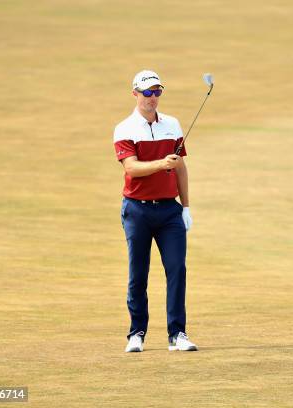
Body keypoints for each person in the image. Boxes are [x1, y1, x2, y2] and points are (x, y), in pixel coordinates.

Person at [113, 70, 198, 352]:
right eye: (148, 92)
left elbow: (181, 169)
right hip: (137, 210)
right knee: (138, 273)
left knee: (177, 270)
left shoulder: (172, 125)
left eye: (157, 92)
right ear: (135, 93)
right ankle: (136, 333)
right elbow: (132, 168)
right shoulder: (125, 128)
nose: (153, 98)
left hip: (169, 212)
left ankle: (178, 334)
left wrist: (185, 206)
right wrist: (162, 164)